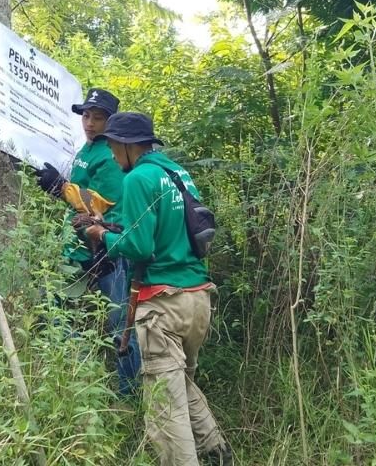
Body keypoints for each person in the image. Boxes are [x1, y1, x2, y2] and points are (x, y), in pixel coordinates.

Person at [84, 112, 232, 466]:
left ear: (126, 145)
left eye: (113, 146)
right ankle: (216, 452)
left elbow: (138, 247)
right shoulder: (176, 173)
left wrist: (102, 234)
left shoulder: (138, 178)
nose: (112, 154)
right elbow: (166, 229)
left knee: (166, 408)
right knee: (180, 385)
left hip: (163, 305)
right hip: (197, 299)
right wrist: (117, 225)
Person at [33, 88, 141, 396]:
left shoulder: (110, 155)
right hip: (80, 246)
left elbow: (105, 205)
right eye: (86, 116)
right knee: (53, 305)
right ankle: (78, 377)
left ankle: (128, 395)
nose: (89, 123)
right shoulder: (86, 149)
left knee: (120, 322)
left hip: (108, 250)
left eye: (97, 118)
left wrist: (63, 189)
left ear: (111, 121)